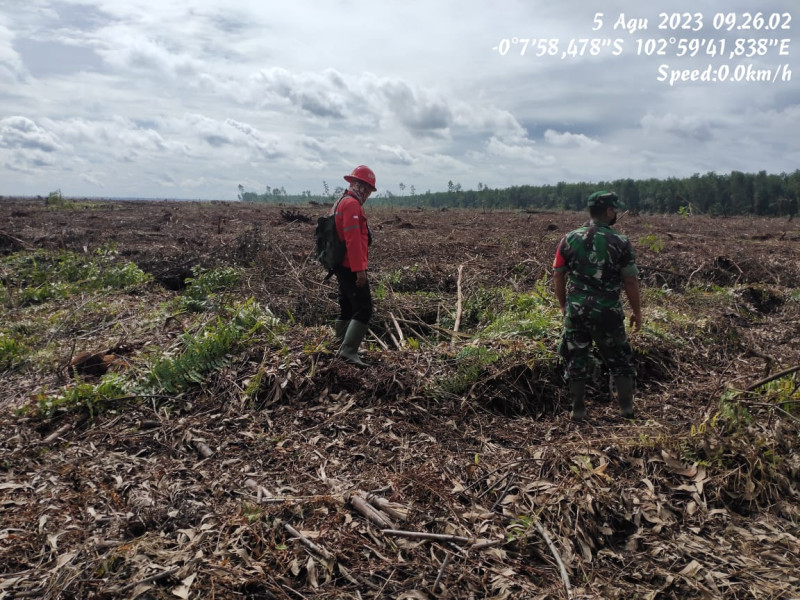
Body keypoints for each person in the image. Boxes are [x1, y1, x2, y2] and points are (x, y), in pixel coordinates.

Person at [552, 191, 642, 421]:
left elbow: (558, 275)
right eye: (615, 210)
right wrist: (637, 311)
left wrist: (564, 306)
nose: (617, 214)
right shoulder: (620, 241)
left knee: (576, 360)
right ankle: (626, 409)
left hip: (577, 311)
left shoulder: (568, 239)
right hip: (608, 312)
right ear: (609, 211)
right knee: (620, 360)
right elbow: (630, 280)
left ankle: (578, 410)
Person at [331, 165, 376, 367]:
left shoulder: (341, 201)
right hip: (349, 266)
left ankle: (340, 343)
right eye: (364, 187)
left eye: (368, 189)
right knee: (364, 308)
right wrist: (360, 270)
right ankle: (348, 351)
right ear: (355, 184)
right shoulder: (351, 205)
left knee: (347, 306)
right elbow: (353, 240)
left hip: (340, 264)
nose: (366, 192)